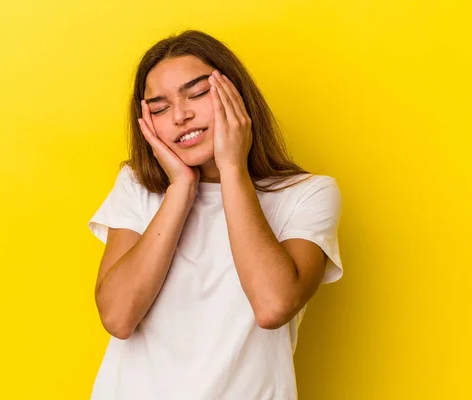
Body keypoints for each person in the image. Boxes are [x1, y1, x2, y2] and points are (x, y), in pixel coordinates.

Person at [87, 29, 343, 400]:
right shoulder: (136, 187)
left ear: (237, 96)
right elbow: (118, 318)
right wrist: (180, 188)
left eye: (198, 93)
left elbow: (273, 306)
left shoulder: (307, 194)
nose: (180, 116)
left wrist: (232, 169)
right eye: (159, 108)